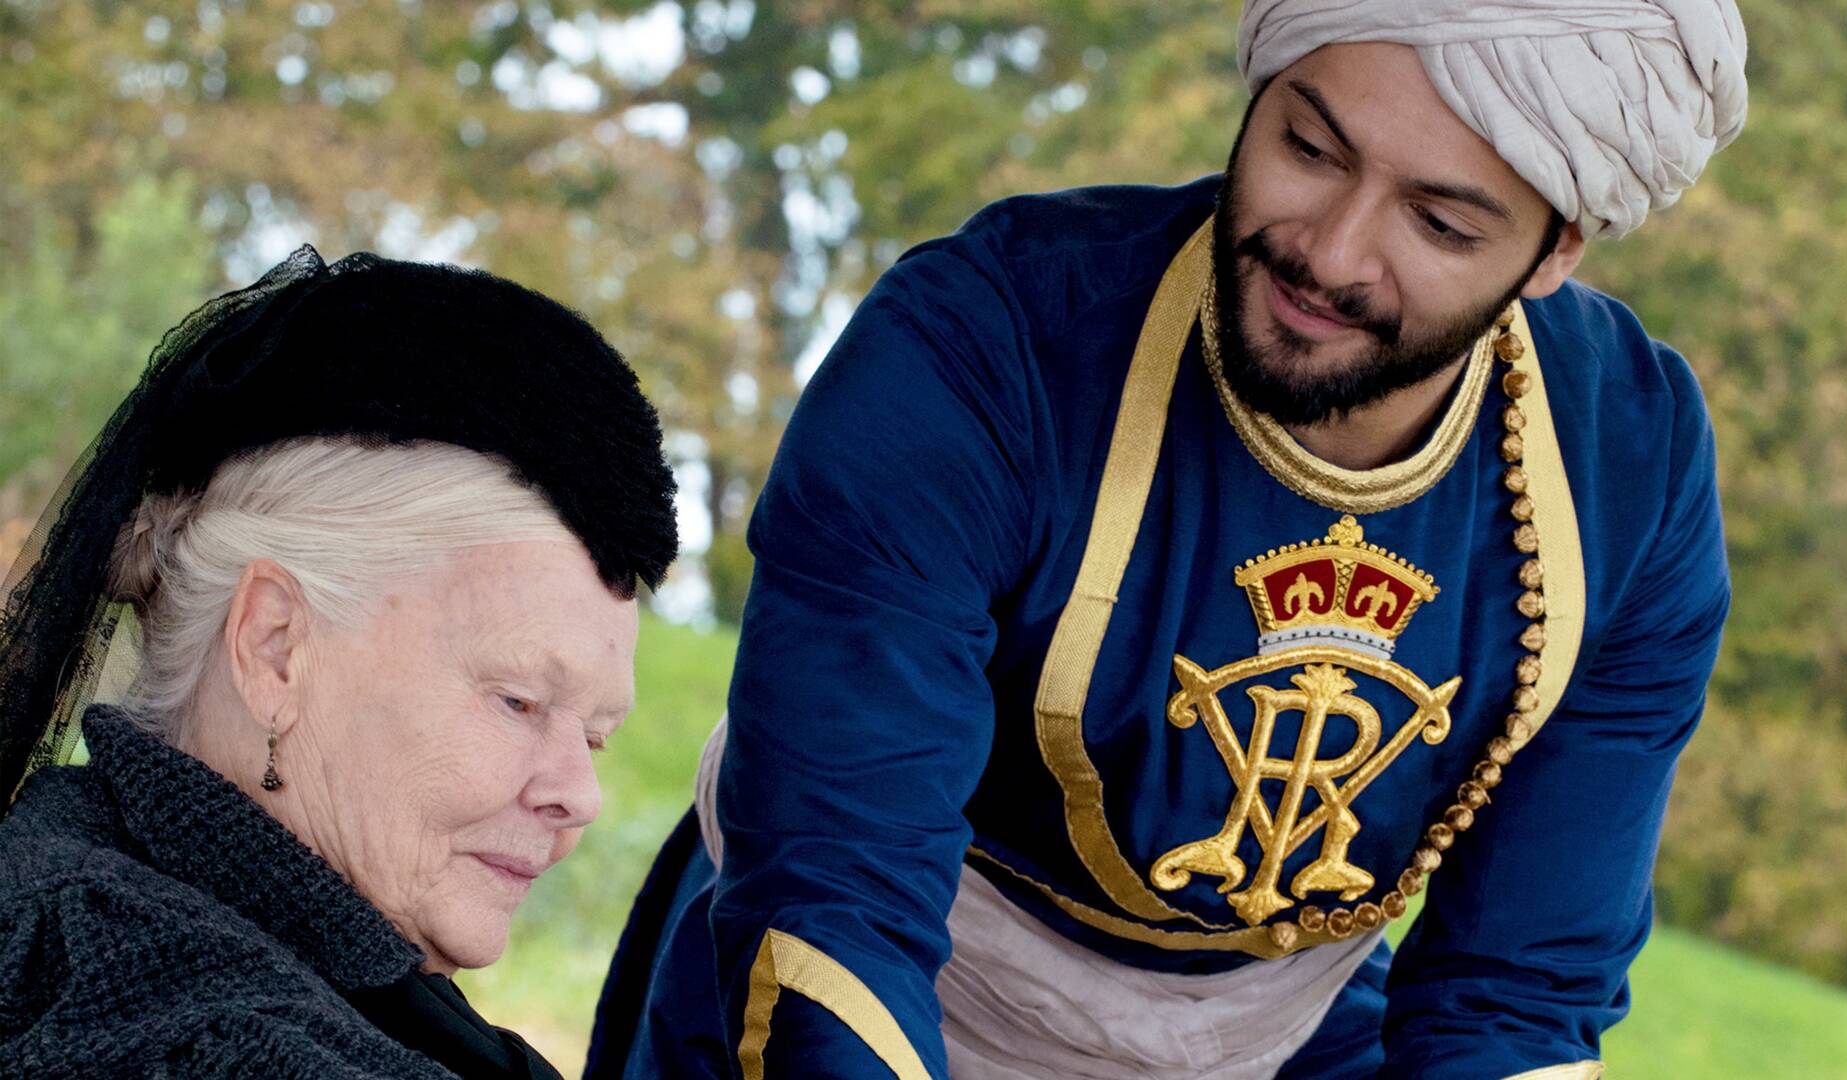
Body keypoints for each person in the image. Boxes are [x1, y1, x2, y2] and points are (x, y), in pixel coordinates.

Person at [588, 1, 1748, 1078]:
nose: (1332, 253)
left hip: (1277, 1040)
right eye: (1309, 149)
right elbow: (835, 880)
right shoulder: (980, 347)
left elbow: (1517, 995)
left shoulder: (1630, 470)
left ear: (1556, 252)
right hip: (855, 985)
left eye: (1438, 222)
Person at [0, 248, 678, 1079]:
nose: (580, 796)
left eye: (599, 736)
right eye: (519, 700)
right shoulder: (195, 1043)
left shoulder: (78, 880)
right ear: (275, 647)